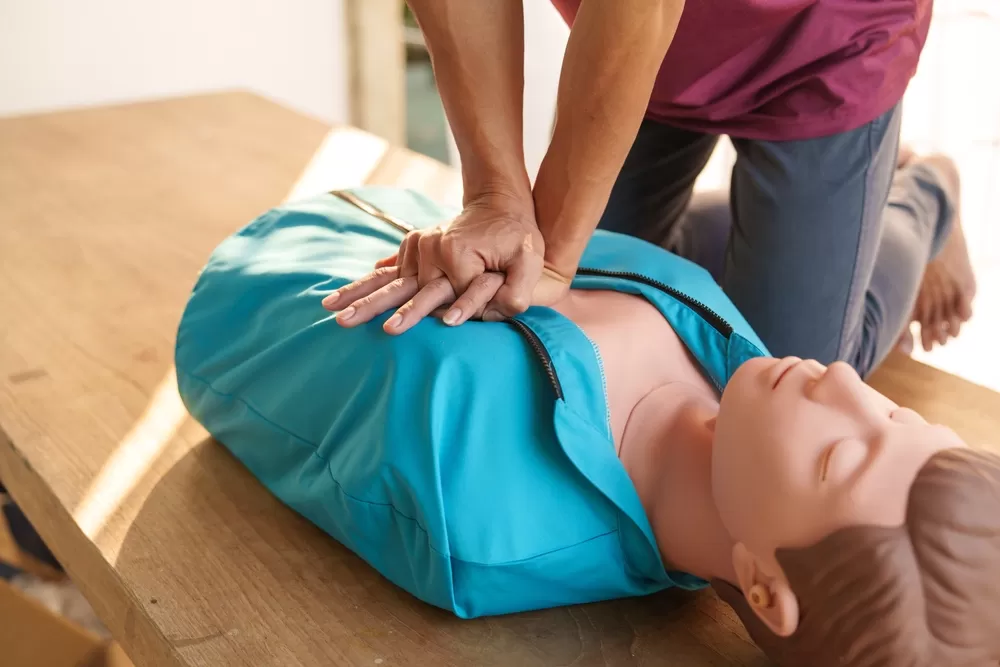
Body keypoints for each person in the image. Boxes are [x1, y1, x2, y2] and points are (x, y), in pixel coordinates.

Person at [176, 178, 999, 665]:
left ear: (762, 587)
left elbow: (245, 351)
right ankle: (925, 189)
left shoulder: (477, 511)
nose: (847, 385)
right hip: (387, 200)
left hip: (257, 259)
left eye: (839, 459)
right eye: (894, 409)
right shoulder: (747, 371)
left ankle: (921, 192)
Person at [342, 0, 977, 374]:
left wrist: (557, 253)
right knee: (593, 300)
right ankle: (804, 230)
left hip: (823, 38)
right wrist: (493, 196)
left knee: (780, 374)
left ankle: (919, 192)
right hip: (647, 49)